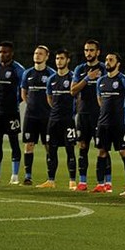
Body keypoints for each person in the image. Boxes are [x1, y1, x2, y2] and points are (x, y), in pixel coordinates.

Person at [93, 53, 125, 194]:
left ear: (118, 63)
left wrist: (120, 114)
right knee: (102, 152)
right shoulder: (101, 81)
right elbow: (100, 100)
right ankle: (100, 184)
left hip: (119, 124)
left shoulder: (123, 80)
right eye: (107, 60)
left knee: (124, 152)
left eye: (111, 60)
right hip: (103, 124)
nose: (107, 62)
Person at [0, 41, 24, 184]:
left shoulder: (18, 70)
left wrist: (14, 103)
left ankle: (14, 176)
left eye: (5, 52)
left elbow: (23, 90)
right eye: (0, 52)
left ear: (11, 53)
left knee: (14, 142)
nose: (2, 54)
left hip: (11, 112)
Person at [39, 49, 77, 188]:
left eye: (61, 58)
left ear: (67, 60)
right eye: (57, 58)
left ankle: (72, 181)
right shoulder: (51, 79)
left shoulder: (73, 77)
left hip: (68, 120)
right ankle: (51, 180)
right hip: (53, 120)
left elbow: (77, 98)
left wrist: (72, 111)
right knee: (51, 150)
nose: (59, 61)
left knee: (70, 149)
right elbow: (49, 98)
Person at [19, 45, 56, 185]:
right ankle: (28, 176)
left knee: (48, 146)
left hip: (47, 116)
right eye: (35, 53)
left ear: (46, 56)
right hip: (31, 116)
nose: (37, 55)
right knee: (29, 144)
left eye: (41, 54)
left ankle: (50, 178)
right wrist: (31, 105)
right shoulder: (27, 73)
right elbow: (24, 93)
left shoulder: (51, 74)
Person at [70, 40, 104, 191]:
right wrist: (87, 78)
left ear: (98, 52)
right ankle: (82, 182)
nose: (88, 53)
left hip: (100, 115)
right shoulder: (80, 69)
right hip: (83, 114)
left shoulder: (104, 68)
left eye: (91, 50)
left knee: (102, 148)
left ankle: (103, 183)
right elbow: (73, 91)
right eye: (86, 50)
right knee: (82, 146)